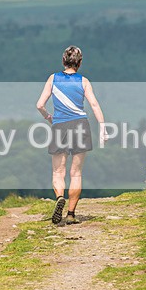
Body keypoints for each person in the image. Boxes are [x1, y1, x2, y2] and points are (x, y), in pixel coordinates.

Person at [36, 45, 107, 225]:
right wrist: (103, 127)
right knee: (76, 173)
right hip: (80, 125)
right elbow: (94, 105)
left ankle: (60, 197)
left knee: (58, 171)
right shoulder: (84, 81)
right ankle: (70, 214)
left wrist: (48, 117)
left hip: (60, 125)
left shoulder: (53, 79)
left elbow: (39, 105)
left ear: (63, 61)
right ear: (80, 63)